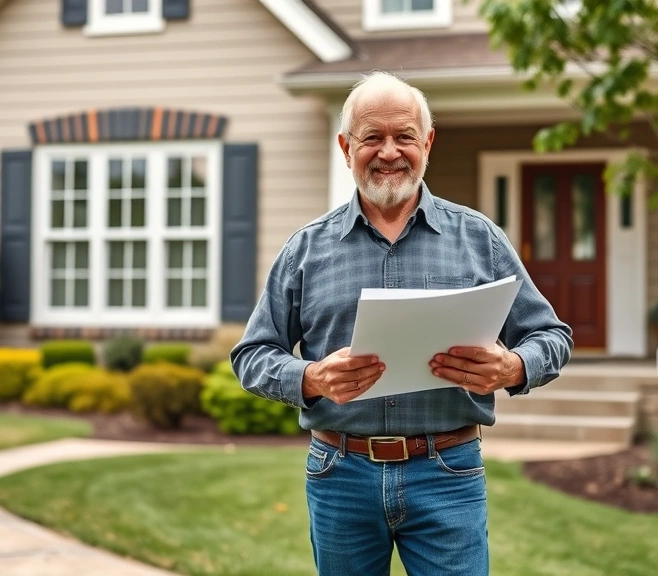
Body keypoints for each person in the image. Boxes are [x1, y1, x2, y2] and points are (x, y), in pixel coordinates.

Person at [230, 71, 573, 576]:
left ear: (427, 143)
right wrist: (310, 377)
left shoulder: (480, 240)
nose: (389, 151)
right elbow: (252, 355)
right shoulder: (305, 250)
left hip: (448, 473)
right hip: (340, 475)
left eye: (404, 136)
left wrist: (514, 366)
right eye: (372, 137)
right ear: (346, 147)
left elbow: (553, 337)